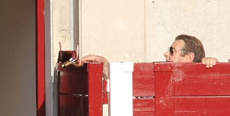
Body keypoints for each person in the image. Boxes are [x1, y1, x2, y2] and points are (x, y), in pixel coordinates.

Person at [80, 34, 218, 79]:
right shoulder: (160, 77)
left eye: (172, 51)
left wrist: (213, 65)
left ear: (188, 58)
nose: (165, 53)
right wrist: (105, 66)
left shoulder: (203, 78)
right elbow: (134, 79)